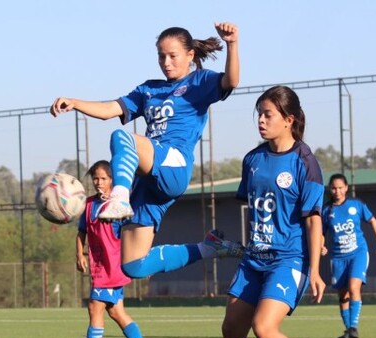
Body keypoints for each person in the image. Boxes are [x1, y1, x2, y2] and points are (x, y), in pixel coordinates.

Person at [51, 23, 243, 282]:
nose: (166, 62)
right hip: (149, 179)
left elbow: (231, 81)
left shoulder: (200, 81)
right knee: (133, 266)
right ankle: (208, 248)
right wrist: (75, 103)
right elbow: (111, 109)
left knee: (122, 137)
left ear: (190, 55)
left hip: (173, 165)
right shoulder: (149, 89)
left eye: (172, 55)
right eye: (161, 56)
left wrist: (232, 44)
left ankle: (118, 196)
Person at [211, 86, 325, 338]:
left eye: (268, 114)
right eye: (259, 114)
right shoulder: (253, 160)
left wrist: (315, 270)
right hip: (253, 260)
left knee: (264, 327)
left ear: (289, 120)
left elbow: (313, 218)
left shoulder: (306, 162)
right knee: (232, 330)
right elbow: (258, 211)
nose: (261, 120)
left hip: (288, 260)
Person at [66, 160, 156, 338]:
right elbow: (82, 232)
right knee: (116, 312)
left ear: (113, 180)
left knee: (94, 307)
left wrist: (143, 258)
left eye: (103, 178)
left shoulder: (121, 206)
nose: (98, 182)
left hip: (113, 266)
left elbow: (137, 233)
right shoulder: (88, 204)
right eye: (95, 178)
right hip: (100, 267)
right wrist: (80, 253)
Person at [321, 173, 376, 338]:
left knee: (353, 287)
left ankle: (353, 327)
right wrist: (321, 245)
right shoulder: (327, 210)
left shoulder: (356, 205)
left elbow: (372, 220)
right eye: (334, 188)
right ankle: (348, 329)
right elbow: (321, 233)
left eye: (340, 188)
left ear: (346, 188)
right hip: (338, 257)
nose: (337, 191)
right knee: (342, 295)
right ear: (330, 189)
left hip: (358, 253)